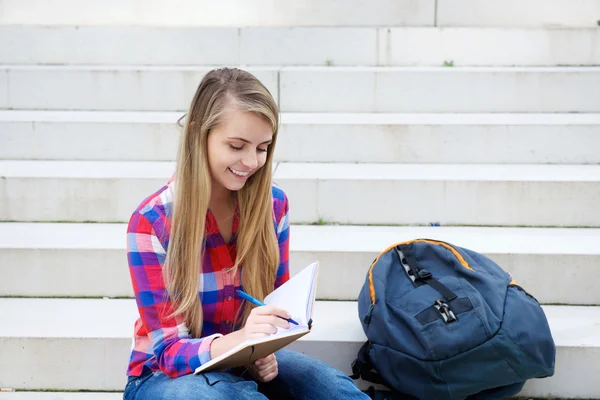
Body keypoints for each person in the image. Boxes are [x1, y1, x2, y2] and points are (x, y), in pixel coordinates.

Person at [123, 67, 370, 400]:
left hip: (242, 356)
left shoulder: (273, 205)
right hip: (165, 377)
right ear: (199, 135)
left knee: (334, 390)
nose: (251, 162)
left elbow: (273, 305)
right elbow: (168, 353)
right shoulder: (152, 222)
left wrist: (263, 345)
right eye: (237, 146)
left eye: (262, 147)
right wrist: (240, 341)